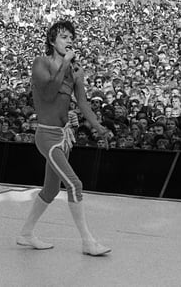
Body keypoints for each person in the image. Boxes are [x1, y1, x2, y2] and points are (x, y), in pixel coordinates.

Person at [17, 20, 113, 256]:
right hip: (46, 136)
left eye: (71, 37)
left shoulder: (73, 71)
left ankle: (26, 233)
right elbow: (49, 93)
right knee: (75, 184)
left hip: (64, 136)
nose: (69, 41)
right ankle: (87, 241)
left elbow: (82, 104)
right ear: (52, 41)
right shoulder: (41, 63)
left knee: (50, 190)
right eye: (63, 37)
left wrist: (100, 128)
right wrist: (66, 64)